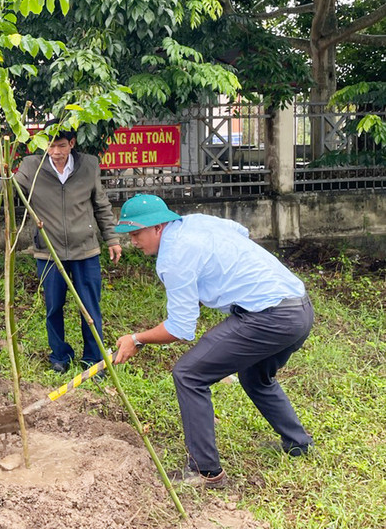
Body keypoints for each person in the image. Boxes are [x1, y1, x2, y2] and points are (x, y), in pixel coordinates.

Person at [112, 194, 314, 488]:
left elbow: (180, 328)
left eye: (137, 233)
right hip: (300, 308)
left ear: (158, 227)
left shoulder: (174, 258)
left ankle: (205, 471)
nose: (134, 242)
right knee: (255, 376)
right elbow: (240, 232)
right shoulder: (197, 222)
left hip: (269, 316)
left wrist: (136, 339)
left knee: (189, 374)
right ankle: (298, 443)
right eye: (130, 235)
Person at [0, 122, 121, 373]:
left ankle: (93, 358)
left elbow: (101, 204)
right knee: (53, 306)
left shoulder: (88, 165)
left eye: (62, 145)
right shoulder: (32, 166)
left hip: (85, 250)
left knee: (90, 306)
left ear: (72, 144)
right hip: (49, 250)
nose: (56, 151)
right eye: (51, 145)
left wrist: (112, 238)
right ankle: (60, 356)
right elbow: (12, 188)